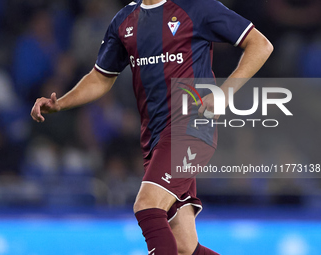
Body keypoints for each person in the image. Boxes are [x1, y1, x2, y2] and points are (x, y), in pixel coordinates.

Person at [31, 0, 273, 254]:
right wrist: (61, 104)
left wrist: (225, 93)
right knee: (183, 247)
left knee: (147, 205)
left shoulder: (196, 7)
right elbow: (101, 77)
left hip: (191, 128)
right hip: (155, 138)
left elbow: (260, 44)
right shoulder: (125, 20)